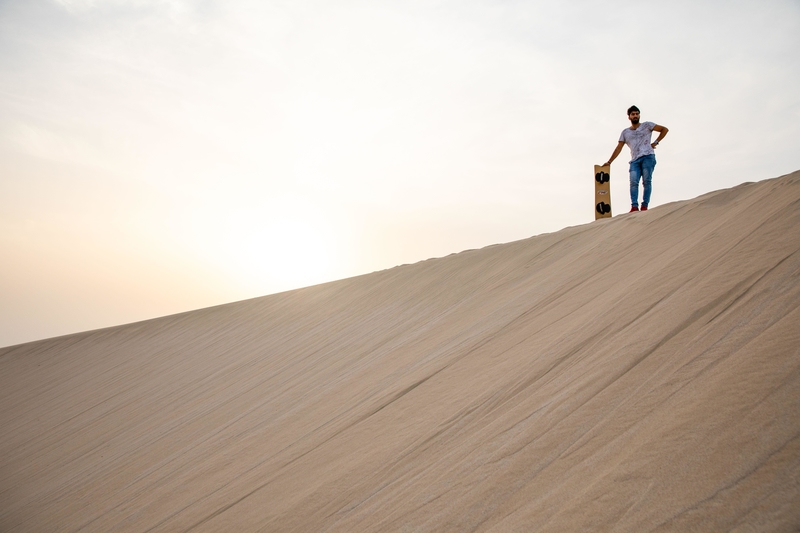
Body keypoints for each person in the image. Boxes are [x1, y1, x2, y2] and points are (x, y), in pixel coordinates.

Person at [603, 105, 668, 212]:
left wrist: (655, 142)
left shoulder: (647, 125)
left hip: (648, 156)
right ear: (629, 117)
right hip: (635, 160)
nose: (635, 116)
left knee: (647, 181)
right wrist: (609, 161)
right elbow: (619, 147)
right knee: (633, 182)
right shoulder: (625, 132)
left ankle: (644, 206)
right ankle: (634, 206)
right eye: (633, 114)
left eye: (637, 114)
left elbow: (664, 130)